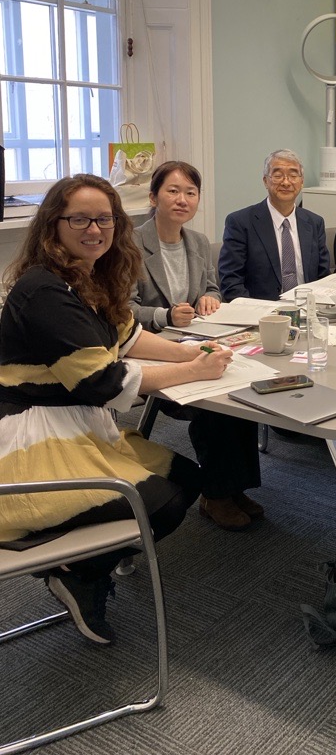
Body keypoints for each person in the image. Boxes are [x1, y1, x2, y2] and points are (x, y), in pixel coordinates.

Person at [0, 174, 233, 645]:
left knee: (188, 480)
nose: (94, 229)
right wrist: (195, 372)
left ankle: (84, 564)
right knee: (163, 503)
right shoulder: (42, 290)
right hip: (33, 435)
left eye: (104, 218)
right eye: (80, 219)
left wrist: (192, 353)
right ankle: (77, 571)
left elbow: (130, 337)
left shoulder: (90, 276)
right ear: (53, 225)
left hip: (78, 424)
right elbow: (102, 383)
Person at [130, 161, 263, 532]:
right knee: (217, 404)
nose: (182, 199)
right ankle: (215, 495)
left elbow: (213, 287)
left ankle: (236, 487)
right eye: (172, 191)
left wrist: (208, 298)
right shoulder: (130, 244)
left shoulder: (199, 242)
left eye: (191, 192)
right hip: (151, 349)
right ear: (154, 196)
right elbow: (122, 309)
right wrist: (164, 316)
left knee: (240, 387)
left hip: (196, 340)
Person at [218, 149, 330, 301]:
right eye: (278, 175)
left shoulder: (314, 223)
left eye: (293, 175)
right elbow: (231, 283)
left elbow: (323, 278)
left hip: (307, 311)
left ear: (301, 181)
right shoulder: (240, 223)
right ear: (265, 181)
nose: (286, 182)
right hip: (261, 315)